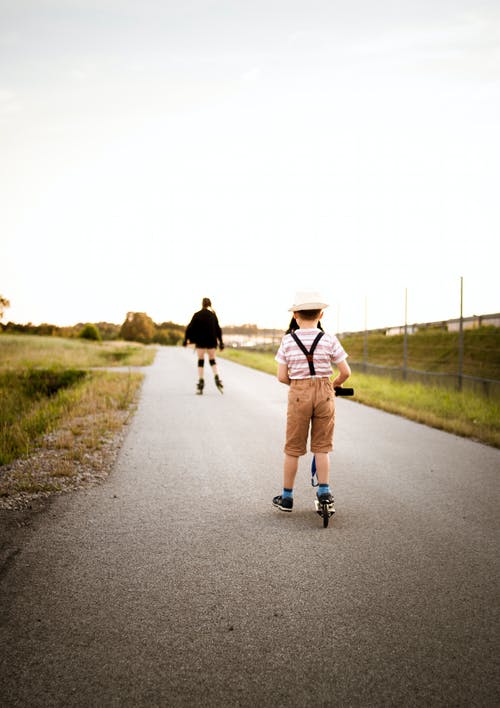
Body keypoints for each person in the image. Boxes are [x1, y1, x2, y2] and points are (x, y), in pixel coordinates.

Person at [273, 291, 351, 513]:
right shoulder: (329, 339)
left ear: (295, 315)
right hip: (325, 391)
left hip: (298, 391)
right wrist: (332, 385)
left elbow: (281, 376)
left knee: (293, 448)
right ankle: (324, 492)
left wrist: (299, 386)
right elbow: (345, 372)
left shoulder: (288, 340)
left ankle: (287, 497)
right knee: (322, 447)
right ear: (321, 315)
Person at [183, 297, 224, 394]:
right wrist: (221, 342)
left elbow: (189, 328)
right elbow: (218, 329)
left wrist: (186, 340)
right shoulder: (213, 315)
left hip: (200, 341)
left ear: (202, 304)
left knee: (201, 360)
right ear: (210, 304)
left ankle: (201, 381)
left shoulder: (197, 315)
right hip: (211, 341)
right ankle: (216, 375)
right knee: (212, 359)